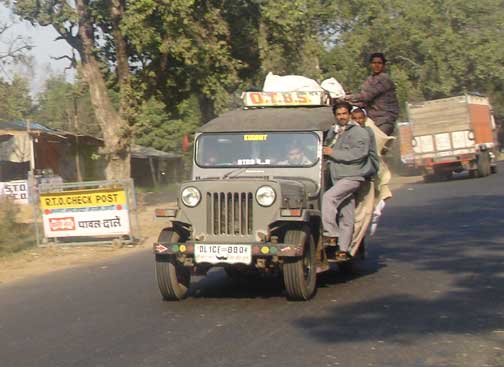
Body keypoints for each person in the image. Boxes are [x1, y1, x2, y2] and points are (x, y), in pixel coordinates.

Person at [322, 101, 375, 259]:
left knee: (328, 198)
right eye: (338, 114)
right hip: (338, 177)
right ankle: (344, 250)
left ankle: (330, 233)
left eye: (344, 114)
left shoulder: (359, 132)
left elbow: (358, 154)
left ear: (349, 114)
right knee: (347, 213)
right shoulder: (336, 131)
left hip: (352, 176)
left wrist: (333, 152)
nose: (342, 117)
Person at [351, 107, 394, 236]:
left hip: (367, 173)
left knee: (367, 208)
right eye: (355, 119)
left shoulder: (369, 131)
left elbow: (375, 154)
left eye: (360, 118)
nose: (358, 121)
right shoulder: (344, 131)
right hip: (349, 174)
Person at [345, 53, 399, 136]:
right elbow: (363, 102)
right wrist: (347, 103)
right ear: (370, 64)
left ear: (383, 65)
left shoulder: (384, 79)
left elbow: (366, 96)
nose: (376, 65)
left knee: (375, 145)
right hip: (373, 119)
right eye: (374, 63)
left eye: (379, 63)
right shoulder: (369, 80)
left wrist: (346, 98)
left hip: (384, 119)